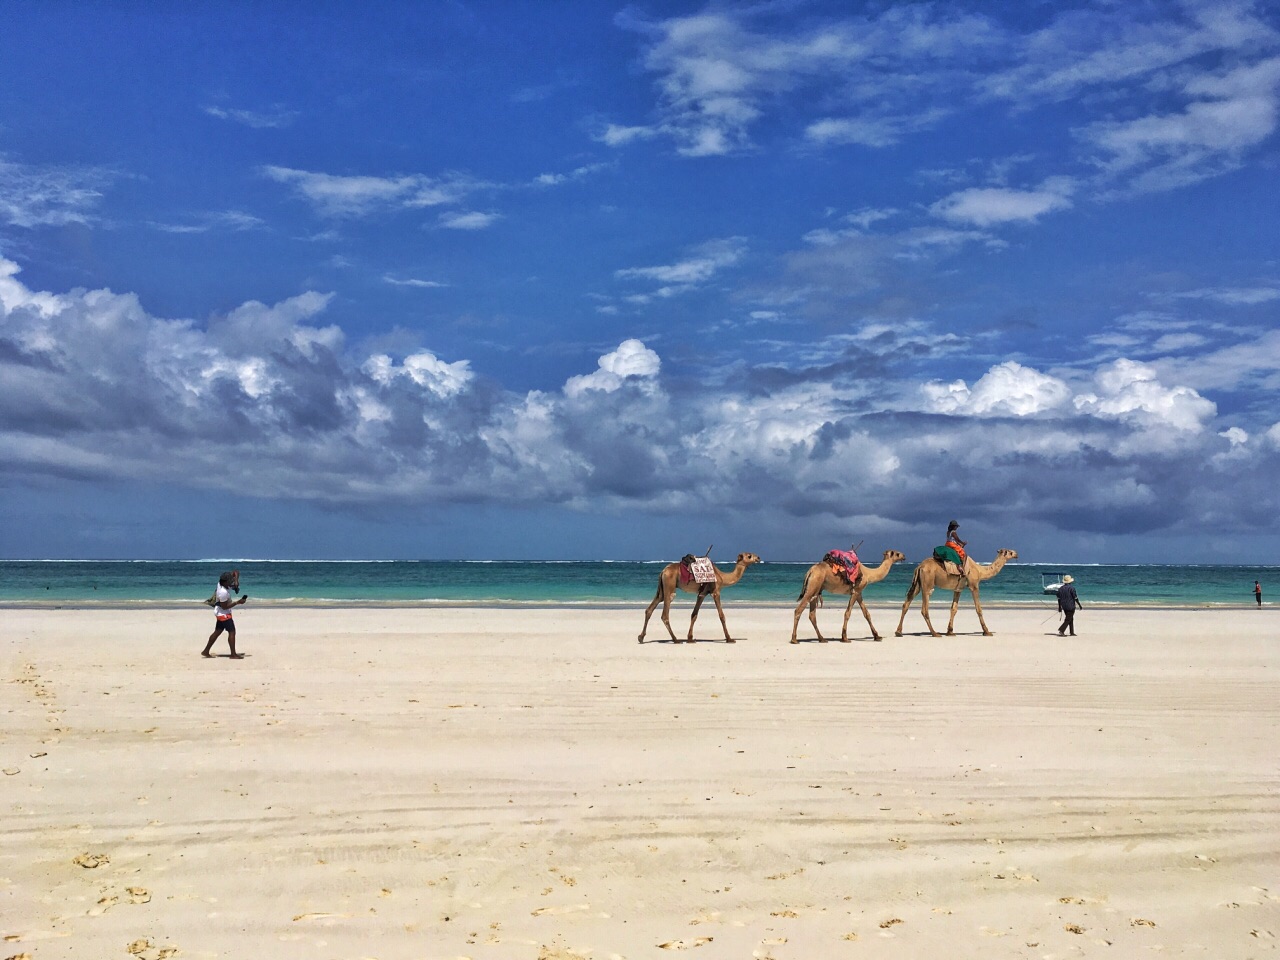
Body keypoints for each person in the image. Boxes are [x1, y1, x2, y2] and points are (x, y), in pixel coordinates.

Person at [202, 570, 248, 659]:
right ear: (225, 582)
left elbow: (236, 571)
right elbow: (225, 607)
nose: (231, 582)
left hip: (219, 612)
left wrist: (236, 581)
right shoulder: (223, 592)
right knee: (232, 632)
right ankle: (233, 654)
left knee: (217, 631)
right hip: (223, 614)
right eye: (230, 581)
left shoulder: (220, 583)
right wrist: (238, 602)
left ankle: (206, 651)